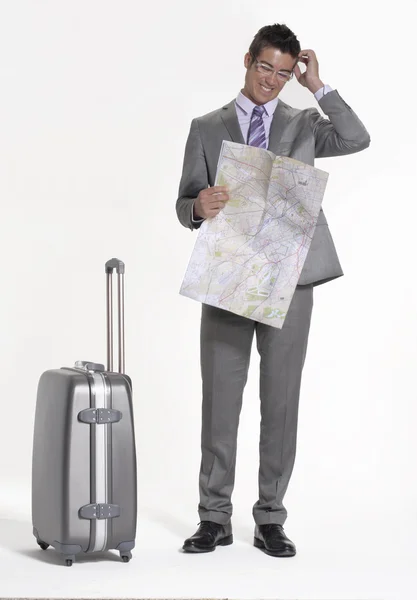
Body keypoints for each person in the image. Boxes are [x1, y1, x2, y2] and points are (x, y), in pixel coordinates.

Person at [176, 23, 370, 558]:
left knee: (280, 400)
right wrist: (198, 207)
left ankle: (270, 519)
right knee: (219, 398)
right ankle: (213, 517)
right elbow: (183, 200)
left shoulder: (305, 122)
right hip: (227, 275)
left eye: (284, 74)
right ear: (247, 61)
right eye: (266, 69)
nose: (272, 82)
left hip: (291, 275)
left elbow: (356, 138)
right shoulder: (206, 127)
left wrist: (318, 86)